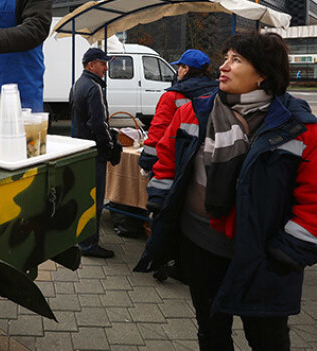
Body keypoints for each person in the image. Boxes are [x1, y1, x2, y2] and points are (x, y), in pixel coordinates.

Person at [135, 32, 317, 351]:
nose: (223, 67)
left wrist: (289, 250)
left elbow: (313, 198)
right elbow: (166, 157)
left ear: (263, 74)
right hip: (200, 245)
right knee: (211, 331)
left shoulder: (299, 126)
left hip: (264, 257)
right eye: (225, 58)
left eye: (236, 60)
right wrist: (160, 200)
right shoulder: (195, 111)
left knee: (267, 339)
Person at [70, 47, 122, 258]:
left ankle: (80, 239)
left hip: (80, 149)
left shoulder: (78, 84)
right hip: (94, 151)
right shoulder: (94, 87)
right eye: (103, 63)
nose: (106, 67)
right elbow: (99, 123)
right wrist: (109, 147)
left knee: (84, 196)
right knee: (95, 199)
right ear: (91, 65)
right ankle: (89, 244)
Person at [139, 49, 218, 172]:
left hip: (176, 160)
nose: (178, 71)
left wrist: (147, 160)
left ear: (186, 69)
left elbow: (159, 130)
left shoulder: (172, 96)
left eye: (180, 67)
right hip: (211, 160)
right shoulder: (217, 92)